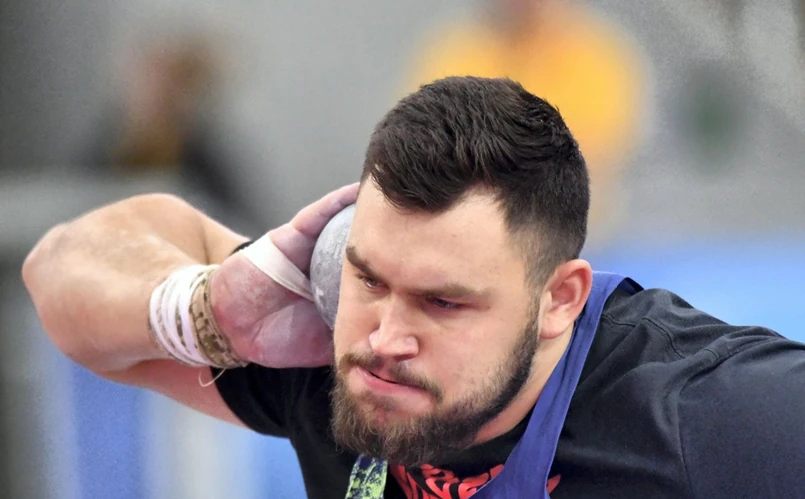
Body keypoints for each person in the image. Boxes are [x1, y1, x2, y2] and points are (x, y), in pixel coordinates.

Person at [22, 77, 805, 498]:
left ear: (558, 299)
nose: (385, 337)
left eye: (444, 302)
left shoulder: (707, 415)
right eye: (368, 277)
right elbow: (59, 273)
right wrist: (209, 313)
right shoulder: (327, 348)